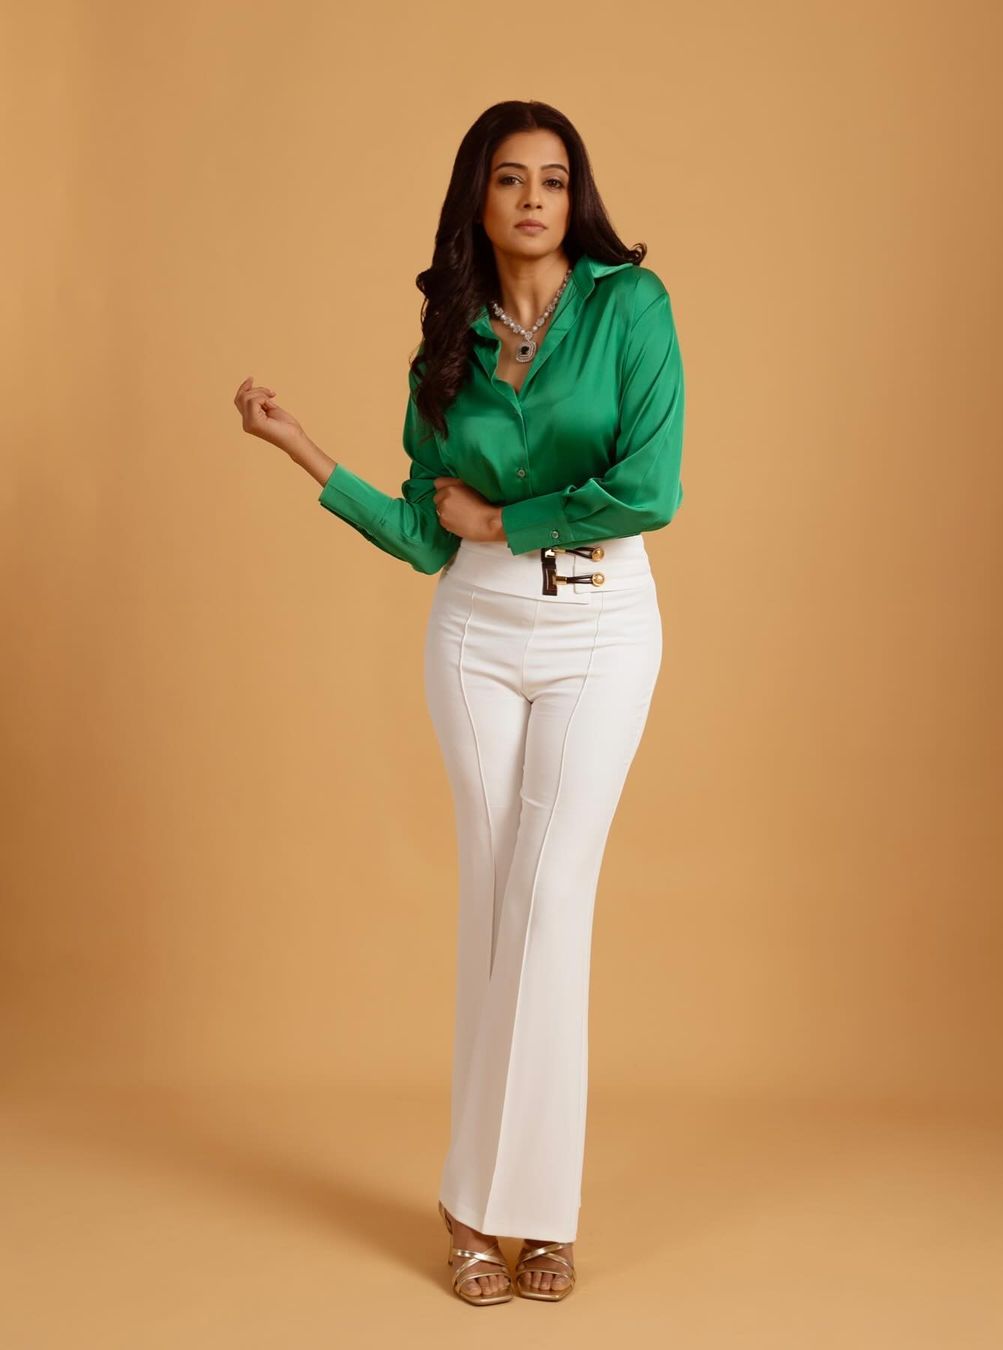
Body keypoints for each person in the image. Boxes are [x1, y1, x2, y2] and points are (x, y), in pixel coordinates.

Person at [233, 98, 685, 1306]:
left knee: (548, 901)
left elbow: (650, 488)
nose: (534, 198)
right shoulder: (447, 346)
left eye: (554, 178)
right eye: (510, 178)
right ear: (477, 201)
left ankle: (520, 1207)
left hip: (600, 625)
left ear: (576, 197)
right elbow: (426, 534)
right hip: (475, 636)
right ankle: (486, 1211)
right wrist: (305, 451)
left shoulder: (631, 308)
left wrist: (508, 520)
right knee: (494, 905)